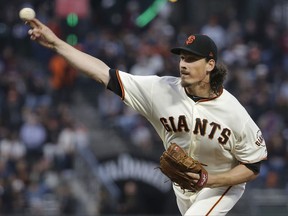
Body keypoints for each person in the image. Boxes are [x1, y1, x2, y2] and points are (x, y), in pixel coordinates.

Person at [26, 19, 267, 216]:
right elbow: (103, 73)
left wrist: (213, 180)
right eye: (182, 57)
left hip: (223, 184)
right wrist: (57, 44)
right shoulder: (160, 90)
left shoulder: (234, 111)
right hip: (184, 187)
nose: (183, 64)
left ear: (210, 65)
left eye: (192, 59)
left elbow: (253, 166)